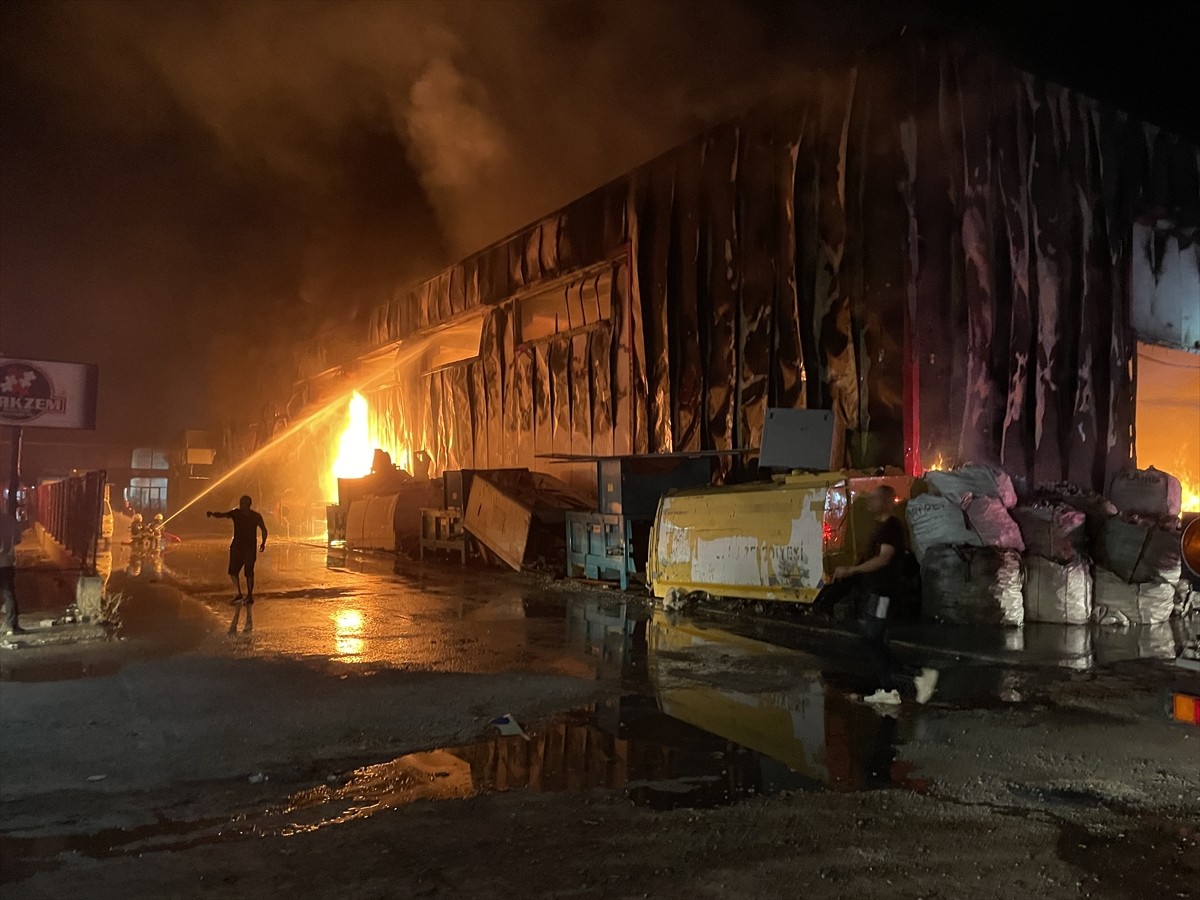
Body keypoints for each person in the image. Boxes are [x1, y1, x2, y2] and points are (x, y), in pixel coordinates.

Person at [813, 485, 938, 707]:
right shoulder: (881, 527)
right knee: (874, 637)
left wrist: (851, 570)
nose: (870, 502)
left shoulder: (891, 527)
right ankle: (892, 685)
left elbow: (883, 559)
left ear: (887, 501)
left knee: (872, 636)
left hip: (883, 593)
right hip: (875, 592)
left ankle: (907, 681)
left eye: (875, 498)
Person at [207, 495, 268, 617]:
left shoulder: (244, 515)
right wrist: (213, 514)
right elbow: (223, 515)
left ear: (248, 504)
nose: (241, 505)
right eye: (241, 503)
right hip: (240, 548)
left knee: (248, 572)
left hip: (243, 548)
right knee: (234, 572)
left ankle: (249, 595)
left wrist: (263, 542)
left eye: (243, 503)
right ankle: (240, 593)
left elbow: (264, 530)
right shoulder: (244, 515)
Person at [1, 508, 27, 635]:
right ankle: (12, 624)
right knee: (9, 593)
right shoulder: (10, 520)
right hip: (7, 562)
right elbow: (18, 539)